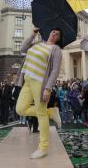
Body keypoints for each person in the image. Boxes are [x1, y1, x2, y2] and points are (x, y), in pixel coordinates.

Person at [15, 28, 63, 159]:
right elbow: (23, 49)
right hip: (27, 80)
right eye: (53, 31)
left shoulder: (56, 49)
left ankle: (43, 148)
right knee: (20, 109)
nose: (54, 34)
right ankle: (51, 112)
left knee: (41, 113)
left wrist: (48, 88)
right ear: (49, 33)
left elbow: (55, 70)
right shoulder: (38, 43)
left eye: (57, 34)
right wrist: (33, 34)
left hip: (40, 82)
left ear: (59, 38)